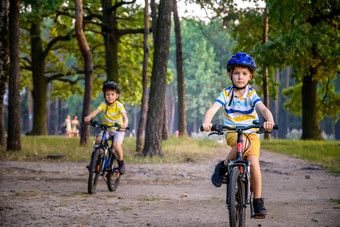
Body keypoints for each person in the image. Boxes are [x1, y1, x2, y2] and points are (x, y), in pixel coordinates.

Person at [202, 52, 275, 216]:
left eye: (244, 74)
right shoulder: (226, 94)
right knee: (244, 145)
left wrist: (269, 120)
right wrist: (207, 122)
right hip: (233, 132)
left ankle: (257, 200)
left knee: (254, 162)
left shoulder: (251, 94)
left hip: (251, 132)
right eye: (236, 73)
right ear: (230, 75)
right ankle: (224, 166)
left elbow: (263, 109)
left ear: (249, 77)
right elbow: (212, 109)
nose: (240, 77)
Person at [84, 81, 129, 175]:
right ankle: (94, 162)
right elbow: (96, 111)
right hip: (107, 129)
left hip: (118, 130)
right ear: (104, 95)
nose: (110, 96)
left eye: (112, 94)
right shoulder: (104, 104)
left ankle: (121, 163)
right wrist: (89, 117)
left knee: (116, 145)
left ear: (117, 96)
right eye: (107, 94)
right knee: (98, 140)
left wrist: (124, 124)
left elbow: (125, 116)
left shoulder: (119, 105)